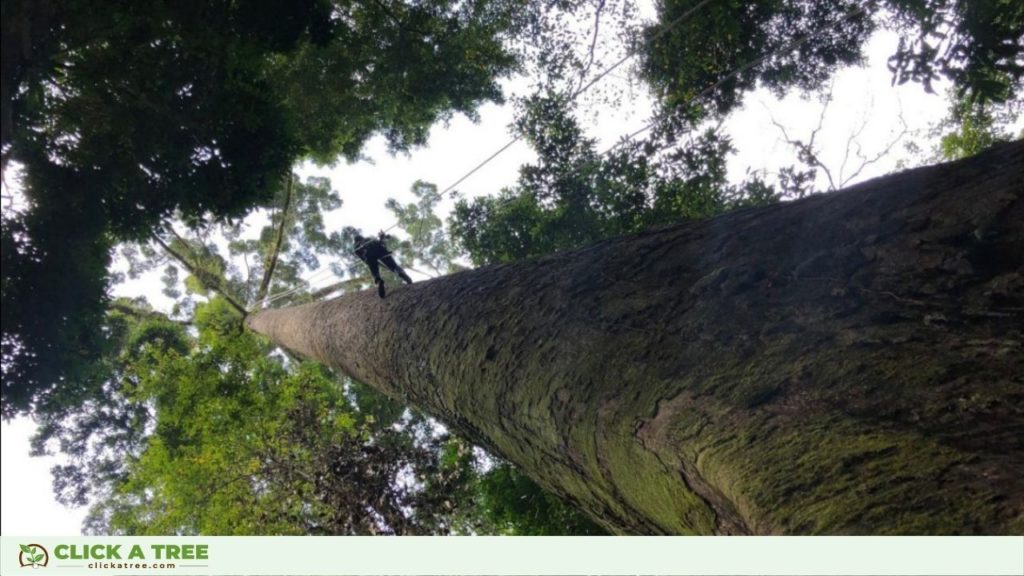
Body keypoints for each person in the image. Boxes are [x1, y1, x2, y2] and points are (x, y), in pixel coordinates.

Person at [353, 231, 413, 298]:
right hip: (379, 250)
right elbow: (380, 243)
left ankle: (379, 281)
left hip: (368, 256)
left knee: (375, 271)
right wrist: (382, 237)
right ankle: (401, 273)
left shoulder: (356, 248)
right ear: (362, 237)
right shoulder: (368, 239)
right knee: (393, 266)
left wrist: (370, 263)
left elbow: (363, 258)